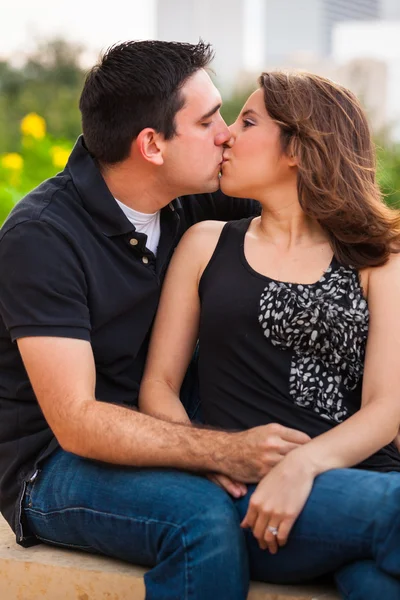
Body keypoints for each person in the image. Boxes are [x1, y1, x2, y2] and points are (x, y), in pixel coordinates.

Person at [0, 41, 312, 600]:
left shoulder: (197, 194)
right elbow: (76, 420)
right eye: (208, 119)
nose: (227, 134)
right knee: (204, 520)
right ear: (151, 145)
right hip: (52, 464)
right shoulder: (42, 236)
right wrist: (222, 450)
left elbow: (313, 211)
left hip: (176, 414)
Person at [139, 71, 400, 599]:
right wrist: (208, 453)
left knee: (378, 585)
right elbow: (158, 387)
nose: (227, 134)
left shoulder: (379, 256)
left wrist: (304, 465)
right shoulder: (206, 244)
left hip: (362, 479)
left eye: (248, 120)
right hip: (253, 492)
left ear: (299, 149)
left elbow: (386, 406)